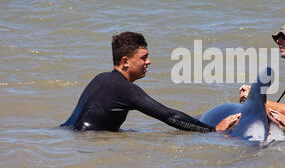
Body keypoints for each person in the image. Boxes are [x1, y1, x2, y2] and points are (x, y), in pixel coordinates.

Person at [61, 32, 239, 132]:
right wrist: (213, 130)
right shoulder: (125, 89)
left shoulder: (100, 78)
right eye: (144, 58)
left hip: (69, 136)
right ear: (125, 62)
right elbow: (170, 117)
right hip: (89, 142)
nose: (149, 62)